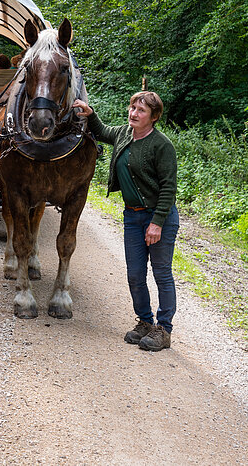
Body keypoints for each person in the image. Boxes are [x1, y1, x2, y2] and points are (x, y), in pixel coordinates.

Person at [72, 91, 179, 351]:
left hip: (158, 217)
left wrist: (157, 222)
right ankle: (144, 321)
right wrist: (90, 113)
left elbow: (168, 187)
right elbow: (102, 131)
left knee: (162, 274)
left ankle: (163, 329)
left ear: (154, 117)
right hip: (132, 216)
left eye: (141, 110)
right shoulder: (123, 133)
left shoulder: (161, 145)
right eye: (132, 107)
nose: (134, 113)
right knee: (135, 274)